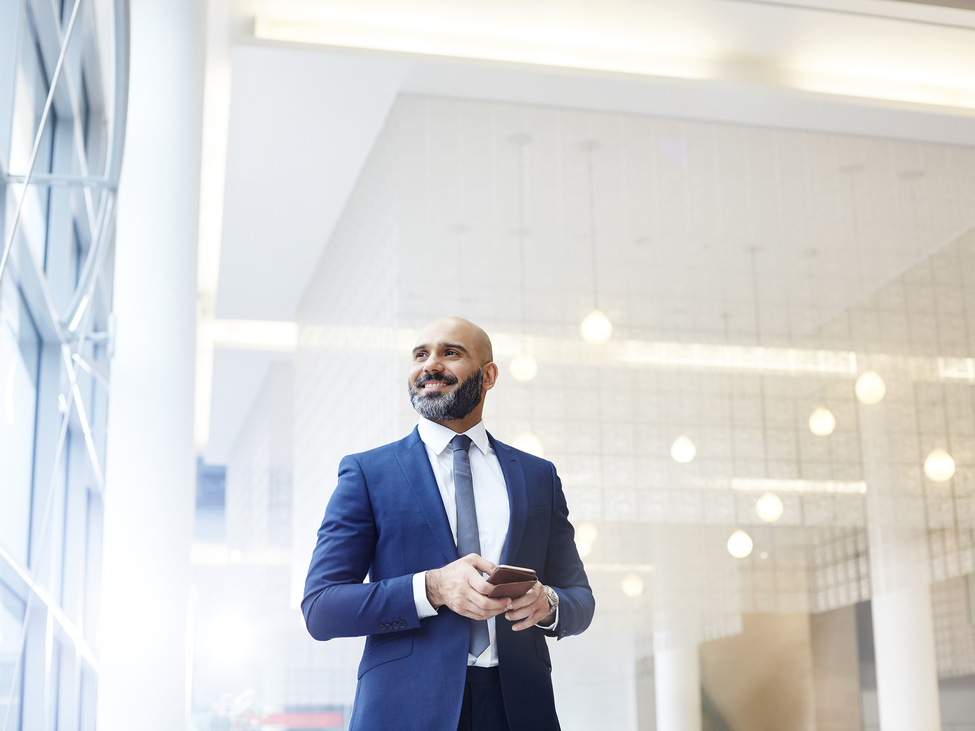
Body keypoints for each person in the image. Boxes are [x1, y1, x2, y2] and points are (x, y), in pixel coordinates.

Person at [302, 316, 595, 731]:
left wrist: (549, 604)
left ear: (488, 375)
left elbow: (580, 598)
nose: (430, 365)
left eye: (450, 353)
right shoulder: (368, 473)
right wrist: (433, 588)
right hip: (405, 708)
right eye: (421, 354)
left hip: (520, 709)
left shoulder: (538, 476)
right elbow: (322, 608)